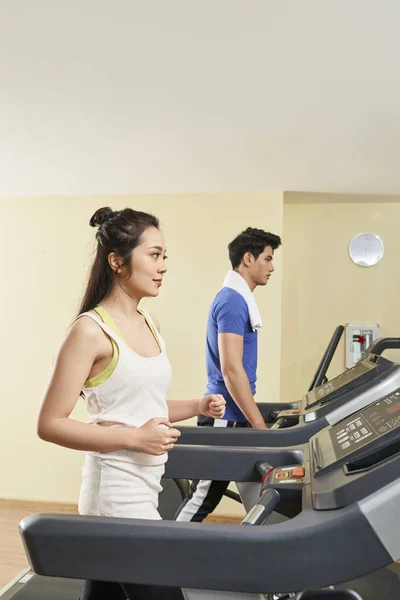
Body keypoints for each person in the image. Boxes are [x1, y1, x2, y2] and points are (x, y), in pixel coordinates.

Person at [37, 206, 226, 600]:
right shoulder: (90, 332)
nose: (163, 266)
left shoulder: (150, 324)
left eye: (164, 257)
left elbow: (145, 408)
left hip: (145, 486)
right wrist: (134, 439)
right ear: (117, 262)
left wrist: (196, 405)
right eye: (154, 254)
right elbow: (51, 423)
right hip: (114, 499)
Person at [175, 227, 281, 523]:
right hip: (224, 414)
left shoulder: (237, 298)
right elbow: (231, 369)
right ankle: (166, 552)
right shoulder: (233, 301)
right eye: (268, 259)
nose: (272, 267)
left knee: (242, 492)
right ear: (248, 258)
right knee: (204, 495)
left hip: (234, 412)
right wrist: (259, 425)